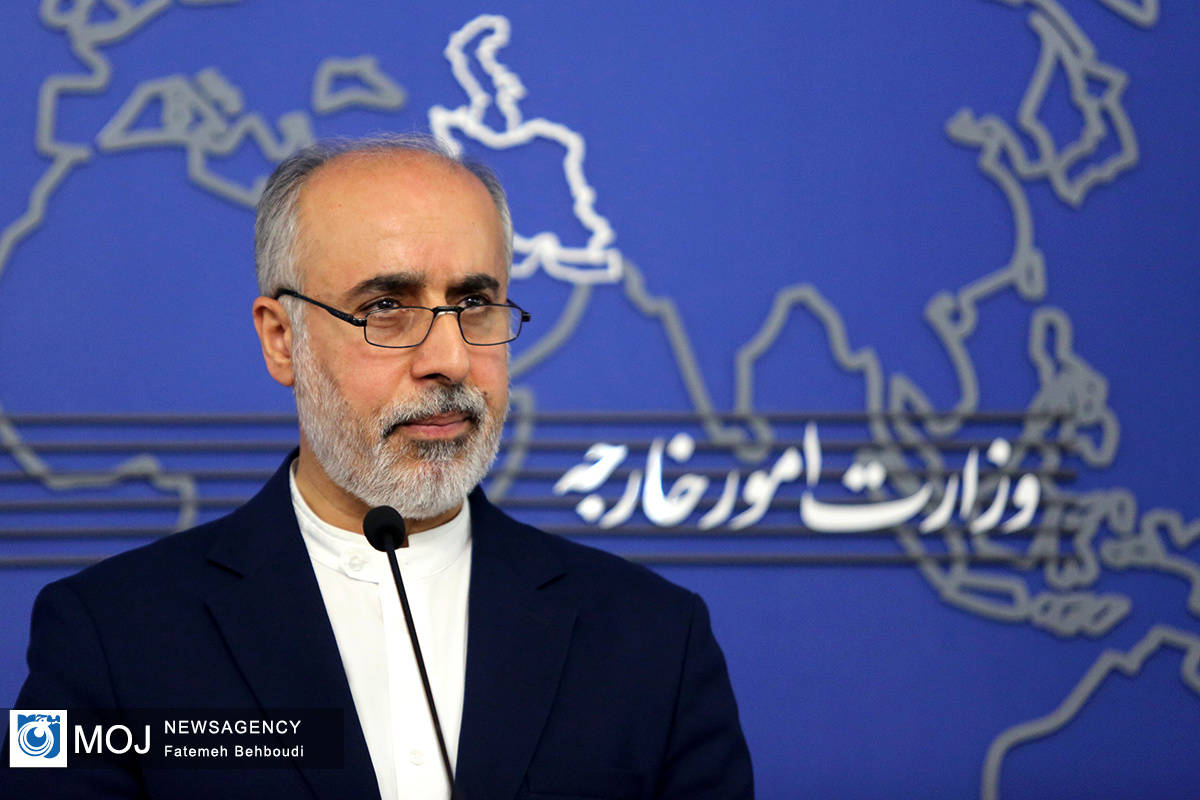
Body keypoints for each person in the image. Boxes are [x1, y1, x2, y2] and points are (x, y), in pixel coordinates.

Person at [5, 135, 753, 799]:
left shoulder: (657, 639)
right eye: (387, 308)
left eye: (475, 302)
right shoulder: (102, 634)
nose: (450, 359)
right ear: (282, 340)